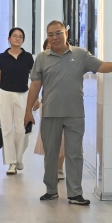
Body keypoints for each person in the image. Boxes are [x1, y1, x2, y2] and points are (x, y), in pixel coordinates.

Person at [24, 20, 112, 204]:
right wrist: (28, 111)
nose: (54, 37)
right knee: (51, 154)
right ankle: (51, 190)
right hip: (50, 113)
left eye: (58, 33)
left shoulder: (80, 54)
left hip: (75, 113)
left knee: (75, 154)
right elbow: (35, 84)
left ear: (66, 34)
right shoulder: (42, 58)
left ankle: (75, 193)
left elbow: (100, 66)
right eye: (50, 34)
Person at [0, 28, 35, 175]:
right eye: (14, 36)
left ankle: (19, 158)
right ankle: (12, 163)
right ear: (9, 39)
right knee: (7, 130)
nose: (17, 38)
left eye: (20, 36)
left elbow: (34, 79)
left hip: (23, 95)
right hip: (5, 95)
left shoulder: (28, 57)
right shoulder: (2, 57)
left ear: (23, 40)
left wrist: (36, 98)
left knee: (22, 130)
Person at [34, 38, 66, 181]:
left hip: (65, 105)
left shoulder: (66, 62)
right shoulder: (42, 63)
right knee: (49, 137)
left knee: (63, 137)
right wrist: (35, 100)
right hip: (47, 104)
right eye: (47, 47)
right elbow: (36, 84)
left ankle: (59, 168)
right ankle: (50, 168)